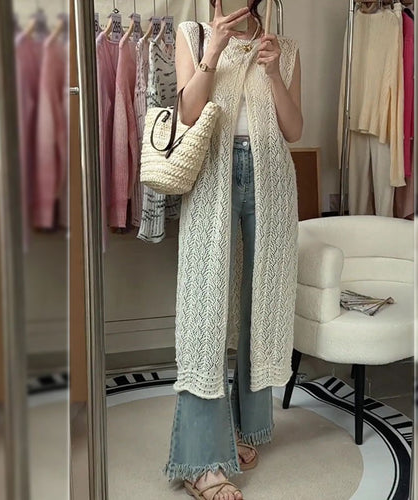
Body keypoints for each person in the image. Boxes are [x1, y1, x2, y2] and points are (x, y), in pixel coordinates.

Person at [163, 1, 303, 498]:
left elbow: (294, 130)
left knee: (259, 305)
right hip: (212, 178)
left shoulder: (284, 48)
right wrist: (214, 51)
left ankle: (244, 427)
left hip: (271, 181)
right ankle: (201, 461)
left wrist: (276, 74)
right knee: (203, 316)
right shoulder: (194, 34)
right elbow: (188, 113)